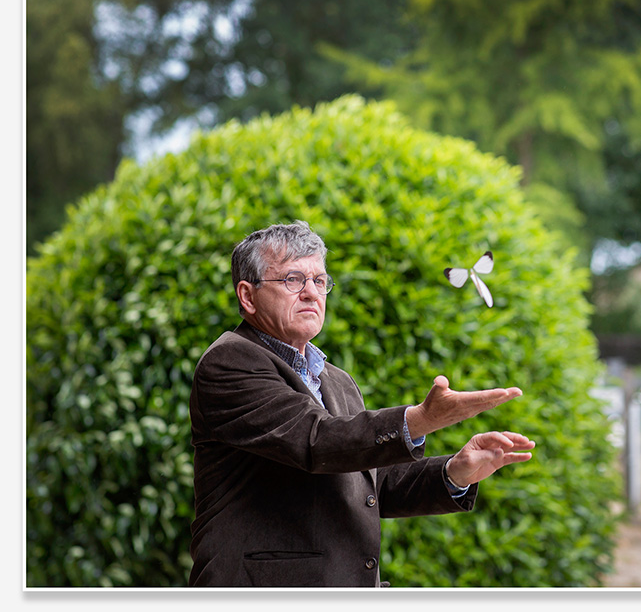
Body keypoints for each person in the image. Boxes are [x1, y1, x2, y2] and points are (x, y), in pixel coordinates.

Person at [188, 221, 534, 587]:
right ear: (247, 296)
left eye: (319, 281)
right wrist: (419, 420)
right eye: (293, 279)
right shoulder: (230, 361)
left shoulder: (337, 380)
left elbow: (370, 485)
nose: (311, 293)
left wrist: (454, 473)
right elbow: (317, 441)